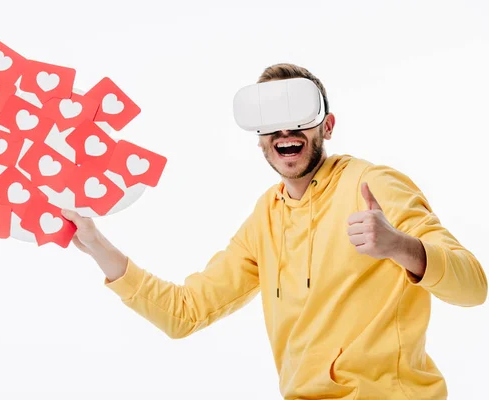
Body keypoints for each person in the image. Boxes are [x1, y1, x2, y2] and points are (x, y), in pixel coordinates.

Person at [61, 63, 487, 400]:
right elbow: (185, 313)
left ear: (328, 125)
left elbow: (473, 287)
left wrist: (399, 246)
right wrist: (98, 245)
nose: (285, 132)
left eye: (299, 118)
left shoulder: (373, 184)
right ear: (259, 137)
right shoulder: (266, 215)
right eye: (272, 122)